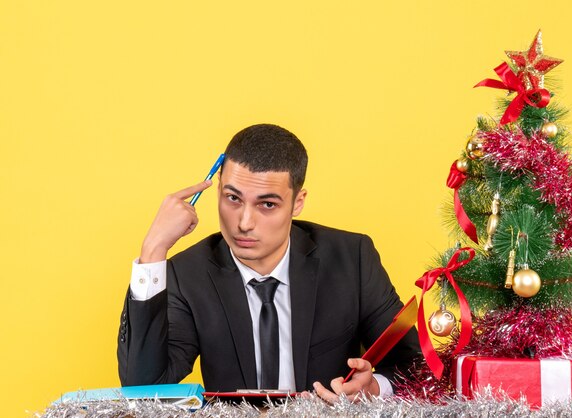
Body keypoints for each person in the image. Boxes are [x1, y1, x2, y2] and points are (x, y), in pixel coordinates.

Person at [117, 124, 420, 402]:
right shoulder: (187, 273)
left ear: (297, 202)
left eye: (267, 204)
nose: (244, 223)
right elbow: (145, 387)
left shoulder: (351, 258)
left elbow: (414, 363)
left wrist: (376, 386)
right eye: (233, 198)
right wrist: (153, 251)